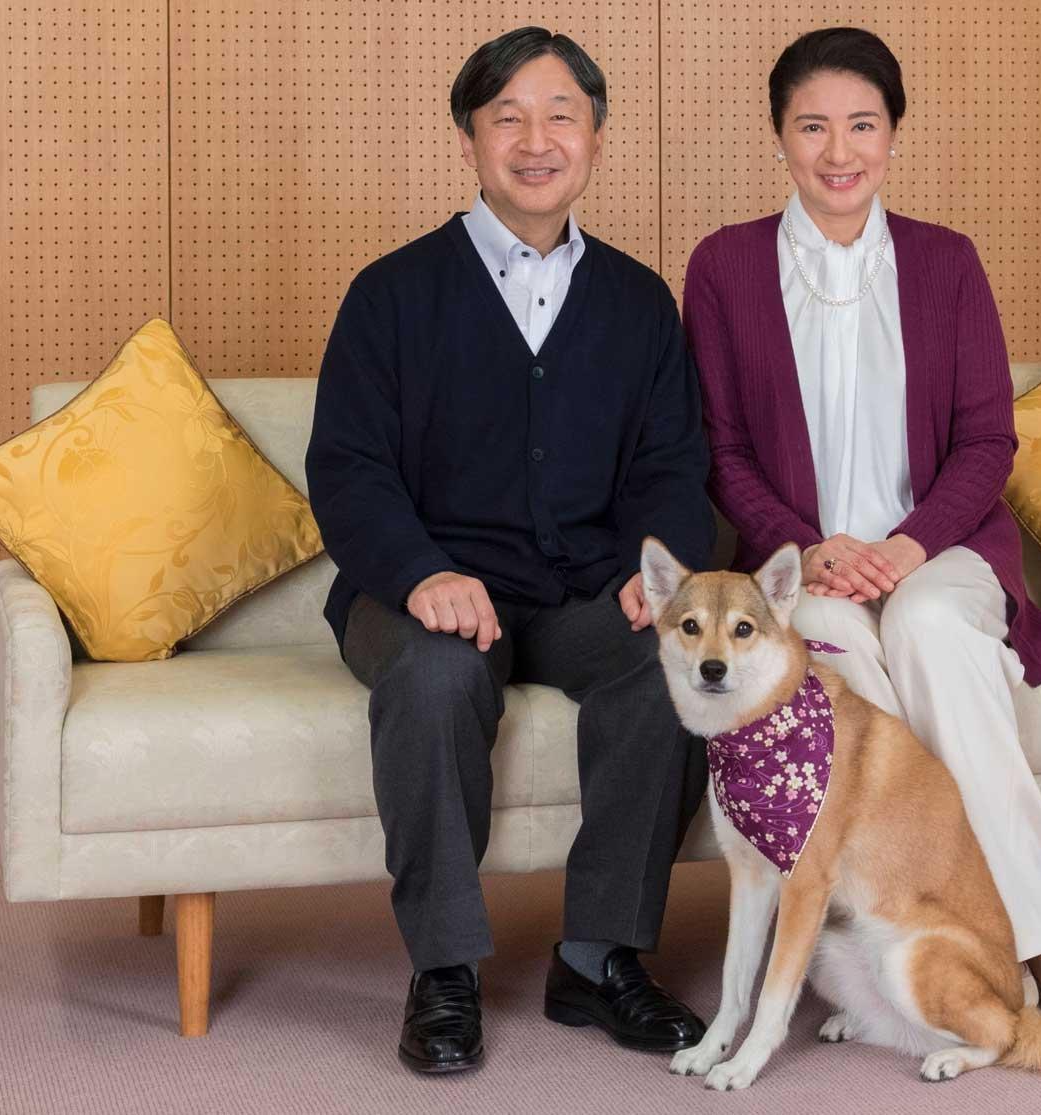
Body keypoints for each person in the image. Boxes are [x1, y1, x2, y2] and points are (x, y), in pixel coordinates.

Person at [306, 26, 712, 1075]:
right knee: (438, 677)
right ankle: (443, 968)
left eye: (561, 116)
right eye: (508, 118)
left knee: (672, 670)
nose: (537, 141)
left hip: (582, 591)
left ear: (596, 139)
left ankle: (597, 956)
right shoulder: (391, 293)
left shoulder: (636, 301)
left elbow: (673, 465)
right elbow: (348, 470)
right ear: (468, 139)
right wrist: (422, 572)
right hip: (423, 589)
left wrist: (646, 569)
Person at [681, 26, 1041, 1016]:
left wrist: (910, 545)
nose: (840, 152)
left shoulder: (946, 262)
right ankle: (931, 931)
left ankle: (1035, 934)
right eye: (814, 127)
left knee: (925, 626)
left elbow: (985, 441)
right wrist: (809, 547)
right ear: (780, 137)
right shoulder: (725, 267)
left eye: (863, 125)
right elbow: (721, 447)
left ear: (894, 135)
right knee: (835, 661)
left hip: (941, 550)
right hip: (803, 570)